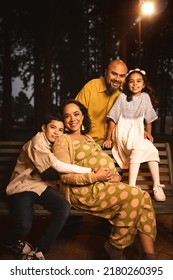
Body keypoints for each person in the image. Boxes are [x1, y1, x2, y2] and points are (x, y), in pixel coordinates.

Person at [53, 99, 157, 260]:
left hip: (103, 185)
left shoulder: (88, 138)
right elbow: (66, 175)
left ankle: (150, 257)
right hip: (83, 190)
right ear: (64, 120)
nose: (72, 119)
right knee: (136, 196)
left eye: (76, 114)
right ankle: (115, 246)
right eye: (67, 116)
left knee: (142, 197)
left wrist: (114, 175)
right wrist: (95, 176)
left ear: (82, 116)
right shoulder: (63, 141)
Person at [4, 114, 103, 260]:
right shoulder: (38, 141)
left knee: (64, 207)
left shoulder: (56, 144)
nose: (57, 132)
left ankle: (40, 250)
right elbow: (58, 166)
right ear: (43, 128)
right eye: (53, 127)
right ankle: (10, 241)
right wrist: (90, 171)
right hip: (23, 186)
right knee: (24, 225)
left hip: (40, 186)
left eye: (61, 129)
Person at [103, 68, 166, 202]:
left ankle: (156, 186)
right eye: (131, 81)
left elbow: (148, 118)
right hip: (123, 132)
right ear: (127, 84)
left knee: (150, 148)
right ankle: (132, 186)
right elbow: (113, 119)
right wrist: (108, 138)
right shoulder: (122, 97)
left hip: (137, 131)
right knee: (141, 145)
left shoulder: (145, 97)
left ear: (143, 84)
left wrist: (148, 132)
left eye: (138, 81)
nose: (135, 84)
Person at [75, 59, 128, 144]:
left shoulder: (126, 93)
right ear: (106, 72)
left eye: (122, 76)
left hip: (115, 145)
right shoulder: (91, 87)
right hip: (88, 142)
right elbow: (74, 113)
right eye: (114, 74)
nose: (117, 79)